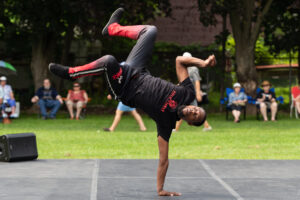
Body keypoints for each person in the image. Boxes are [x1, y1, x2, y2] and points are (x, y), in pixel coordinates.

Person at [49, 8, 216, 196]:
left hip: (125, 88)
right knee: (150, 31)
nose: (194, 111)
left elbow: (164, 160)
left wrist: (160, 189)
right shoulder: (187, 93)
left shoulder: (166, 124)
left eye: (195, 116)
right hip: (137, 69)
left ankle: (72, 73)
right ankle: (112, 28)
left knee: (109, 61)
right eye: (197, 109)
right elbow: (180, 60)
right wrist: (202, 63)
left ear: (190, 122)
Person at [175, 52, 212, 131]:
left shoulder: (194, 68)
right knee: (187, 110)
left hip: (192, 93)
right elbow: (182, 81)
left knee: (194, 112)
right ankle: (207, 126)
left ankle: (207, 126)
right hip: (184, 92)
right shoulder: (184, 68)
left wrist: (198, 93)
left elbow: (197, 81)